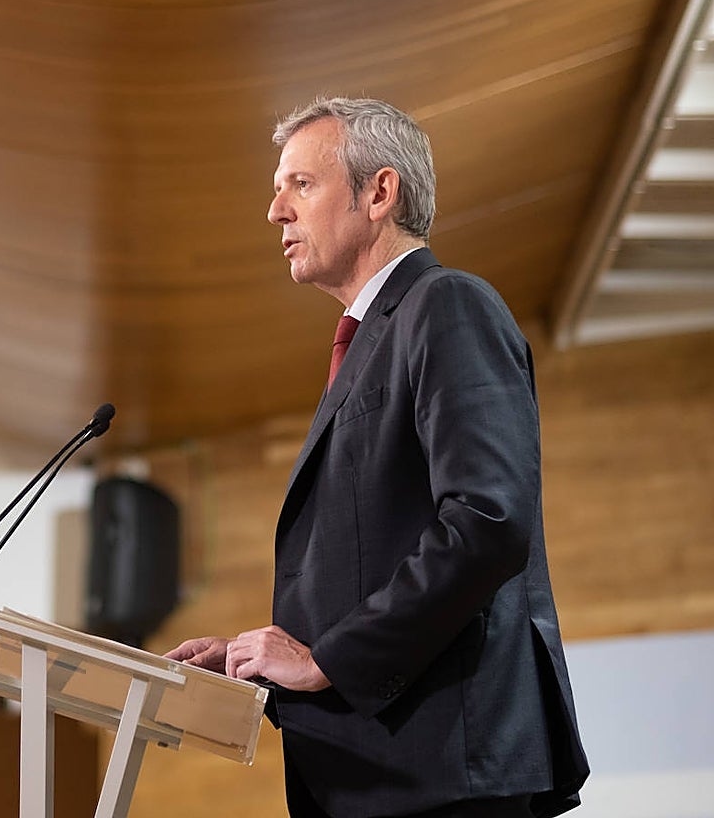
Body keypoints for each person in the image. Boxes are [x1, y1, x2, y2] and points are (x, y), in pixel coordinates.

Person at [164, 97, 589, 818]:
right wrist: (257, 662)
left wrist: (325, 660)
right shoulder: (370, 339)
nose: (275, 211)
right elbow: (372, 561)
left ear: (379, 193)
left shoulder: (447, 303)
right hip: (380, 775)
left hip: (446, 773)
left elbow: (487, 519)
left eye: (300, 184)